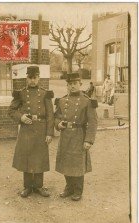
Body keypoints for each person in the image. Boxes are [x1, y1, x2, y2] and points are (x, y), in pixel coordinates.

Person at [8, 66, 54, 198]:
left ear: (38, 78)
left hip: (41, 129)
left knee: (40, 157)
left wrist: (49, 133)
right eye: (30, 78)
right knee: (27, 157)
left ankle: (39, 186)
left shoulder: (45, 93)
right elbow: (11, 110)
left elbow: (50, 115)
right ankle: (27, 186)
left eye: (35, 77)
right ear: (26, 78)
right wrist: (21, 117)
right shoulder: (21, 93)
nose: (32, 80)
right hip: (26, 129)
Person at [54, 72, 98, 201]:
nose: (72, 86)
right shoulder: (61, 101)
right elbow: (56, 117)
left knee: (78, 164)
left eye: (74, 84)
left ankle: (78, 190)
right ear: (67, 85)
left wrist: (89, 140)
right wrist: (58, 124)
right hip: (66, 136)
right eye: (70, 84)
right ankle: (69, 187)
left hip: (79, 135)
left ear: (80, 84)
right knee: (66, 162)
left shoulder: (87, 101)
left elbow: (93, 122)